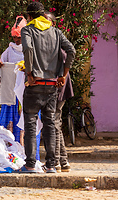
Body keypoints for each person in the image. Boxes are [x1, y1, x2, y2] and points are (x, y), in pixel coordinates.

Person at [21, 2, 76, 173]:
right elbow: (72, 51)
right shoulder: (56, 32)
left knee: (30, 124)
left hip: (35, 83)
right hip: (52, 85)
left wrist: (30, 73)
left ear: (29, 16)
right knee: (50, 124)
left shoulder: (27, 30)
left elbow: (29, 49)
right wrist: (63, 75)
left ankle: (30, 163)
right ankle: (51, 165)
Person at [45, 12, 73, 172]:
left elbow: (70, 54)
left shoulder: (57, 41)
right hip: (55, 85)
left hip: (57, 87)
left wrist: (62, 76)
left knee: (53, 123)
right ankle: (63, 161)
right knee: (55, 123)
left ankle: (56, 161)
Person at [0, 16, 27, 144]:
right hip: (10, 94)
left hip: (24, 94)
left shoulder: (30, 49)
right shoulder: (9, 50)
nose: (17, 40)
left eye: (19, 38)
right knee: (8, 123)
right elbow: (0, 67)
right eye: (14, 37)